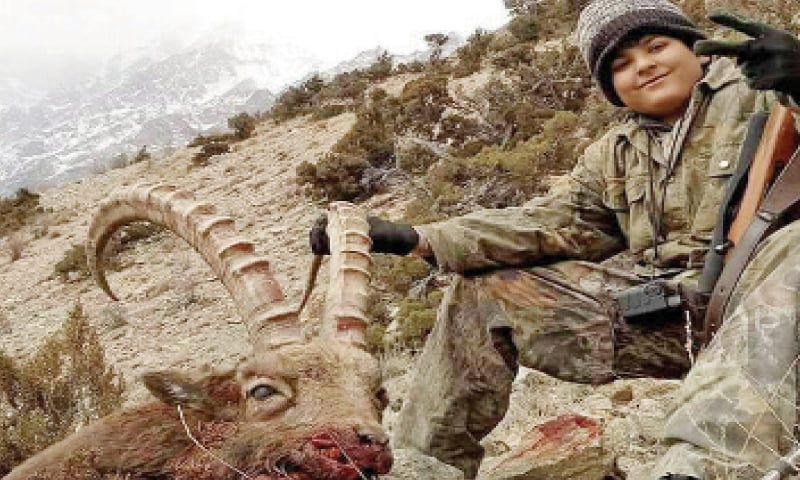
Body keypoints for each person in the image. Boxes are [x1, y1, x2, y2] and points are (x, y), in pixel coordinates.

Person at [310, 1, 800, 478]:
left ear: (697, 49)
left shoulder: (761, 87)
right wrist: (412, 237)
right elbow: (550, 223)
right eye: (622, 65)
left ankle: (705, 468)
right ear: (611, 88)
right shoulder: (612, 154)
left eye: (656, 46)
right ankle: (424, 467)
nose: (644, 67)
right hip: (681, 322)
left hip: (773, 310)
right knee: (485, 291)